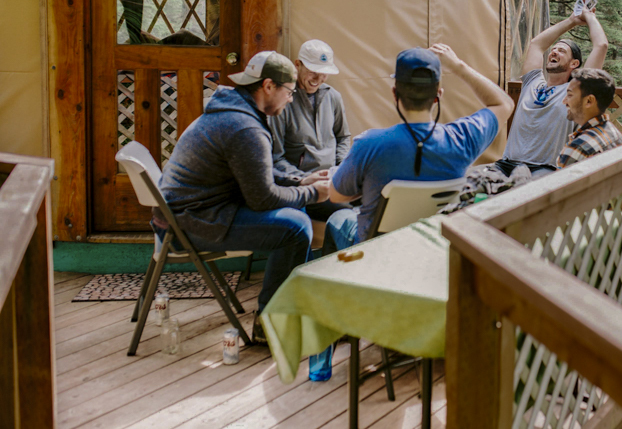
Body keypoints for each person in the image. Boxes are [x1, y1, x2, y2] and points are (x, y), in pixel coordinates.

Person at [157, 51, 330, 342]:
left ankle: (292, 309)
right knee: (296, 227)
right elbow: (262, 199)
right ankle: (271, 325)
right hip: (189, 225)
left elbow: (256, 171)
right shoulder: (244, 127)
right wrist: (312, 192)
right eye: (289, 92)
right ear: (268, 86)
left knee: (296, 215)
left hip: (189, 214)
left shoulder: (234, 111)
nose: (291, 99)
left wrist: (301, 180)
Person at [321, 44, 514, 251]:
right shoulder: (463, 138)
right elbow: (504, 103)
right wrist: (457, 66)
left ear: (394, 93)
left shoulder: (369, 143)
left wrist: (366, 184)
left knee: (338, 218)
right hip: (430, 248)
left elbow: (336, 195)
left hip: (376, 250)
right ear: (438, 95)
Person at [496, 8, 608, 177]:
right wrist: (571, 20)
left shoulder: (576, 91)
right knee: (472, 185)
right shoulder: (532, 82)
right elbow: (536, 44)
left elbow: (601, 46)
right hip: (507, 164)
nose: (554, 52)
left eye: (562, 51)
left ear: (574, 64)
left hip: (542, 169)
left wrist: (589, 16)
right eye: (554, 49)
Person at [270, 39, 352, 218]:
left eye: (324, 73)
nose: (318, 79)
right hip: (303, 185)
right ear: (297, 65)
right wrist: (303, 179)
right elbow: (276, 157)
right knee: (346, 209)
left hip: (335, 179)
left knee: (375, 197)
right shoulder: (283, 102)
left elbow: (343, 136)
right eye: (313, 71)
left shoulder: (333, 97)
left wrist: (341, 167)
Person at [556, 68, 622, 169]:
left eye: (570, 95)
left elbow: (559, 179)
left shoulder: (577, 149)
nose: (564, 101)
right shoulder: (614, 134)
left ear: (589, 101)